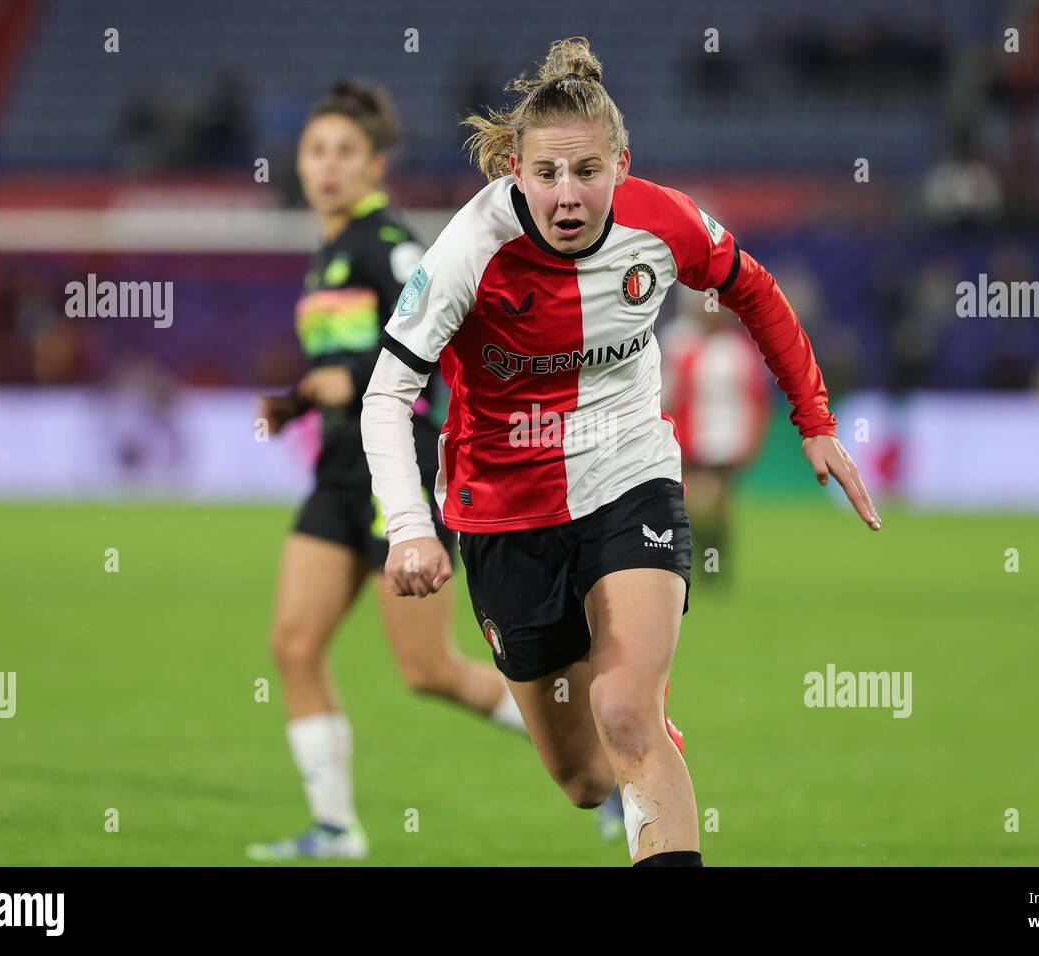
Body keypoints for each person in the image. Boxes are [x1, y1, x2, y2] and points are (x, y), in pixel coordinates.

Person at [361, 38, 880, 867]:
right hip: (503, 513)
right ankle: (642, 743)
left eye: (589, 172)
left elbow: (751, 287)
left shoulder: (661, 221)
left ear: (622, 164)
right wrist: (409, 526)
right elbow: (387, 394)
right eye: (548, 175)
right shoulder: (467, 250)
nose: (569, 196)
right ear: (515, 172)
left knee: (627, 713)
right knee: (580, 777)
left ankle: (645, 726)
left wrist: (812, 417)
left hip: (629, 475)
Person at [246, 81, 527, 862]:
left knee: (428, 668)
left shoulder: (388, 243)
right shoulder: (328, 252)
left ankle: (599, 767)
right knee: (294, 646)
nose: (327, 167)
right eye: (315, 151)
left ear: (374, 165)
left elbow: (435, 335)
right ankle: (336, 828)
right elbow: (343, 365)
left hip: (394, 466)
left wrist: (348, 376)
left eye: (345, 153)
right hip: (336, 469)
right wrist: (298, 401)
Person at [661, 290, 773, 586]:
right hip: (688, 440)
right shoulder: (678, 342)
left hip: (724, 443)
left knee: (714, 505)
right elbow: (665, 393)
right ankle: (709, 561)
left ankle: (715, 563)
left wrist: (752, 439)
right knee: (695, 505)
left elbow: (757, 399)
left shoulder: (737, 350)